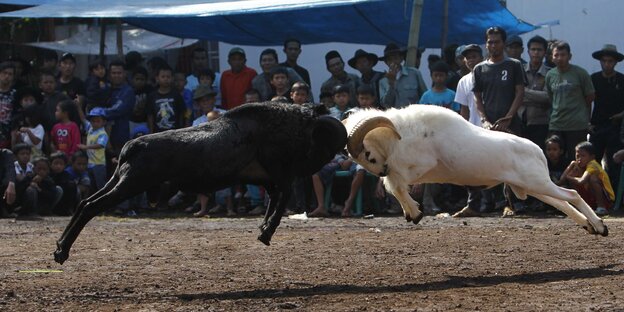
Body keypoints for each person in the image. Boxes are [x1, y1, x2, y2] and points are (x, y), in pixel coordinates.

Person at [472, 26, 526, 216]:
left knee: (513, 163)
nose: (492, 45)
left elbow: (520, 92)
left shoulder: (514, 65)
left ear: (503, 43)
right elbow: (477, 98)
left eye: (496, 42)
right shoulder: (479, 68)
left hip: (511, 123)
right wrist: (484, 120)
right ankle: (493, 202)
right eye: (490, 42)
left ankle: (515, 202)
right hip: (489, 126)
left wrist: (509, 117)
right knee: (489, 163)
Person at [546, 40, 595, 160]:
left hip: (576, 126)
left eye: (563, 55)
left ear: (570, 56)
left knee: (577, 160)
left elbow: (590, 96)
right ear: (551, 58)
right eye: (556, 55)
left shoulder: (580, 73)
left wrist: (581, 113)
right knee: (555, 159)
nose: (559, 58)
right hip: (556, 124)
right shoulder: (550, 75)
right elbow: (551, 98)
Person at [589, 44, 624, 189]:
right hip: (597, 125)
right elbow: (586, 101)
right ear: (600, 61)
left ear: (615, 62)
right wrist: (587, 122)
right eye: (604, 61)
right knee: (593, 162)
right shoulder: (593, 79)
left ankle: (615, 197)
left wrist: (621, 115)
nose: (607, 64)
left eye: (610, 61)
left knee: (614, 162)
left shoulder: (622, 80)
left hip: (616, 127)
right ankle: (595, 196)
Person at [342, 85, 377, 216]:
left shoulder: (377, 114)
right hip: (352, 153)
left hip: (370, 152)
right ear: (357, 98)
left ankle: (349, 203)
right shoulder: (352, 113)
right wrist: (349, 158)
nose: (364, 102)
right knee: (360, 168)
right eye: (362, 98)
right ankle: (348, 204)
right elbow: (345, 137)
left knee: (361, 169)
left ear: (373, 99)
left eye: (367, 99)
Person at [560, 141, 613, 216]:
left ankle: (601, 207)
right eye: (577, 156)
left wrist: (569, 177)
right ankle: (580, 207)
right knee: (575, 174)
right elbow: (561, 181)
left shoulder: (592, 164)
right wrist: (571, 165)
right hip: (591, 199)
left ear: (592, 157)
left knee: (592, 178)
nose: (579, 159)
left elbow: (581, 181)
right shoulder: (579, 165)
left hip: (606, 199)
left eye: (583, 156)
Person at [521, 35, 551, 151]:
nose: (536, 53)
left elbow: (547, 98)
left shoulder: (550, 73)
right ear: (528, 51)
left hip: (541, 123)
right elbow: (514, 96)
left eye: (539, 50)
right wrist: (536, 98)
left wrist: (523, 92)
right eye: (533, 49)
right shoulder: (520, 70)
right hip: (520, 122)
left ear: (544, 52)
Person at [101, 60, 135, 155]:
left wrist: (98, 112)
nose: (116, 75)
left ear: (125, 74)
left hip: (121, 137)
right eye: (114, 73)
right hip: (102, 138)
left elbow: (118, 110)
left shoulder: (128, 91)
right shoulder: (105, 89)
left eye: (119, 73)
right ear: (109, 74)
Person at [378, 43, 428, 109]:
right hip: (395, 117)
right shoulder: (383, 81)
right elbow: (385, 104)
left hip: (414, 116)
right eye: (390, 60)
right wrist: (391, 84)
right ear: (386, 62)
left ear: (401, 58)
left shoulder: (414, 73)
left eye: (395, 58)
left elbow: (425, 96)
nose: (393, 62)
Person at [308, 153, 352, 217]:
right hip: (335, 158)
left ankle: (322, 206)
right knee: (315, 173)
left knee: (316, 174)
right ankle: (321, 206)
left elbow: (345, 164)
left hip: (346, 159)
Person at [146, 65, 185, 133]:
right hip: (157, 132)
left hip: (175, 132)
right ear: (157, 78)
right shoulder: (152, 96)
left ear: (172, 78)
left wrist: (182, 129)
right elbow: (150, 115)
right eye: (163, 77)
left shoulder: (176, 95)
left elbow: (182, 113)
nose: (166, 79)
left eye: (168, 77)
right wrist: (151, 131)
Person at [78, 107, 108, 191]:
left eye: (98, 121)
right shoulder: (90, 128)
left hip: (99, 164)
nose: (95, 123)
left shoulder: (102, 133)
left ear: (104, 122)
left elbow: (101, 145)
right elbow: (83, 119)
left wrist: (86, 147)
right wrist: (79, 106)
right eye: (93, 121)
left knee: (101, 186)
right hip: (90, 163)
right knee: (92, 186)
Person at [455, 44, 484, 126]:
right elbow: (464, 109)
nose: (471, 60)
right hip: (473, 128)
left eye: (474, 57)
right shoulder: (463, 81)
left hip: (491, 127)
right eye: (468, 58)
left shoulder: (490, 76)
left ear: (482, 58)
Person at [128, 66, 153, 134]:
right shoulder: (128, 90)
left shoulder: (149, 90)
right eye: (137, 79)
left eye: (142, 79)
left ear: (146, 80)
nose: (139, 81)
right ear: (132, 79)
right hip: (131, 121)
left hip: (145, 121)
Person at [0, 61, 17, 149]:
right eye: (4, 73)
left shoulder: (15, 94)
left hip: (7, 134)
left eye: (10, 74)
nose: (7, 76)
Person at [0, 148, 16, 218]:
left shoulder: (6, 154)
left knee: (10, 183)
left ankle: (6, 209)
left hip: (2, 187)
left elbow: (10, 170)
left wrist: (11, 184)